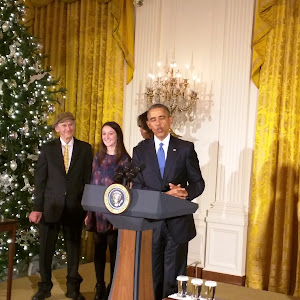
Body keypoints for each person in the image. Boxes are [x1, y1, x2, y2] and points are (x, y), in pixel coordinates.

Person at [132, 104, 205, 300]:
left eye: (162, 118)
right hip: (150, 224)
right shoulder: (140, 150)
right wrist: (163, 196)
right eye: (153, 120)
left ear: (170, 120)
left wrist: (184, 192)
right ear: (148, 124)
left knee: (174, 278)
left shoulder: (185, 148)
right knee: (152, 275)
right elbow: (137, 186)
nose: (158, 123)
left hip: (178, 222)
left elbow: (198, 183)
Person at [29, 112, 92, 300]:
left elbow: (88, 180)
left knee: (74, 250)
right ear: (57, 129)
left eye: (71, 125)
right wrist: (37, 207)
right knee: (46, 250)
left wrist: (88, 208)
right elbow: (40, 180)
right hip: (50, 208)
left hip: (75, 208)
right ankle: (44, 287)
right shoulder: (47, 149)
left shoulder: (85, 149)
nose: (68, 129)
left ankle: (73, 288)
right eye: (63, 125)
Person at [84, 121, 131, 300]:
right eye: (104, 134)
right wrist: (89, 211)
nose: (107, 137)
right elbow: (92, 183)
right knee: (98, 249)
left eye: (110, 133)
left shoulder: (125, 159)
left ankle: (113, 284)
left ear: (117, 135)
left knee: (114, 250)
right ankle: (99, 285)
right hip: (97, 211)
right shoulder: (98, 157)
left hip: (115, 212)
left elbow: (128, 188)